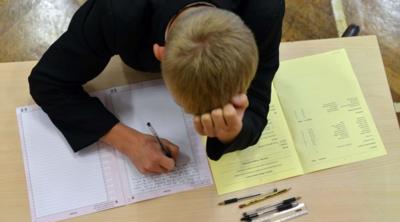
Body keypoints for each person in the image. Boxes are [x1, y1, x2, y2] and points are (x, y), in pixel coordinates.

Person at [28, 0, 285, 174]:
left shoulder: (263, 9)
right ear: (159, 54)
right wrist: (126, 141)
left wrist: (233, 131)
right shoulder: (117, 11)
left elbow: (257, 101)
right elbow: (48, 82)